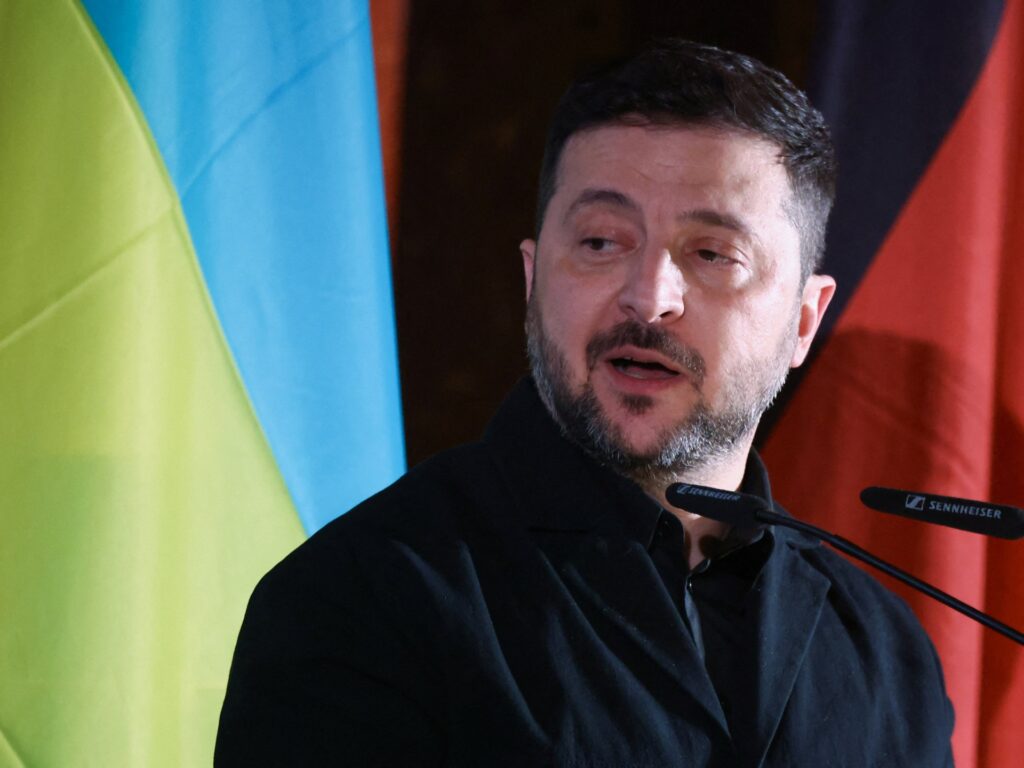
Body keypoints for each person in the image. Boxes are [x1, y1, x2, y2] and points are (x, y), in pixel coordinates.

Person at [215, 39, 954, 766]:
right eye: (601, 242)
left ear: (804, 321)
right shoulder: (360, 596)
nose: (648, 297)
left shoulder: (887, 655)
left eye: (711, 254)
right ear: (533, 278)